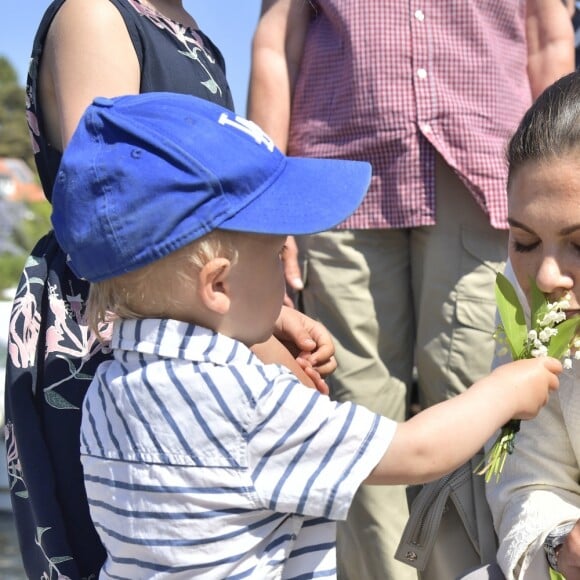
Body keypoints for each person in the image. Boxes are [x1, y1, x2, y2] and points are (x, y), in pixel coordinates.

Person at [50, 90, 563, 580]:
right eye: (276, 255)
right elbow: (415, 452)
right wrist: (503, 391)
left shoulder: (109, 386)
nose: (283, 273)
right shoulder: (247, 404)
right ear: (219, 284)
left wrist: (261, 321)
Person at [4, 1, 335, 578]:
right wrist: (256, 347)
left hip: (195, 313)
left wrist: (271, 315)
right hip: (118, 328)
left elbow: (211, 219)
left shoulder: (194, 34)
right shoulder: (97, 14)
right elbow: (122, 219)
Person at [247, 2, 575, 578]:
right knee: (356, 420)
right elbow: (277, 40)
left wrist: (559, 182)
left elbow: (548, 37)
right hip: (340, 169)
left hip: (483, 168)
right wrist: (269, 210)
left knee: (488, 405)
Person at [484, 70, 580, 580]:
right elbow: (530, 482)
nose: (546, 275)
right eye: (524, 242)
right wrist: (559, 546)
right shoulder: (530, 305)